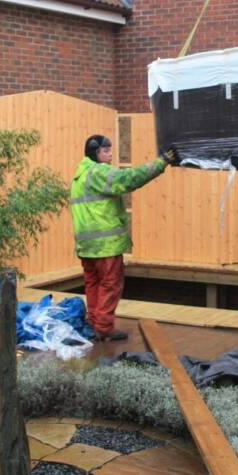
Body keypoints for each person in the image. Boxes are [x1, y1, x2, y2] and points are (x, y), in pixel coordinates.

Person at [71, 135, 179, 341]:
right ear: (95, 154)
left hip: (86, 246)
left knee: (93, 284)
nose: (110, 153)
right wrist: (161, 162)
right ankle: (103, 327)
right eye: (105, 150)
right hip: (106, 246)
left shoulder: (79, 175)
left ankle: (94, 323)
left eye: (110, 149)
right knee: (111, 284)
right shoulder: (99, 172)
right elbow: (129, 179)